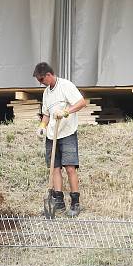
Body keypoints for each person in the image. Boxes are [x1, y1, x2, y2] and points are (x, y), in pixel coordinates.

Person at [33, 62, 87, 217]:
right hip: (52, 136)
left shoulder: (66, 86)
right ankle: (59, 202)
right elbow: (46, 114)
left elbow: (81, 102)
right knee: (54, 168)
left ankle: (75, 203)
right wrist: (42, 126)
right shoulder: (46, 93)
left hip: (67, 133)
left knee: (70, 168)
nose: (40, 82)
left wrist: (66, 111)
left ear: (49, 75)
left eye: (42, 79)